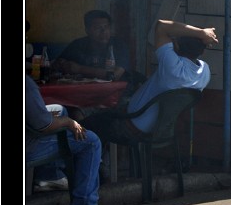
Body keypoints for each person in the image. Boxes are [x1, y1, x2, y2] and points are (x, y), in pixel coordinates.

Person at [82, 19, 216, 154]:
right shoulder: (205, 71)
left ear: (177, 46)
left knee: (86, 126)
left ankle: (88, 168)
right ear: (202, 51)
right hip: (161, 131)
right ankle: (101, 164)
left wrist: (202, 33)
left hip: (130, 127)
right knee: (107, 114)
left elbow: (162, 26)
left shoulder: (172, 65)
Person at [26, 75, 113, 205]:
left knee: (60, 110)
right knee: (91, 141)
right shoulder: (26, 84)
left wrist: (56, 118)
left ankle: (50, 177)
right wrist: (67, 122)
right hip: (29, 146)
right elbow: (43, 125)